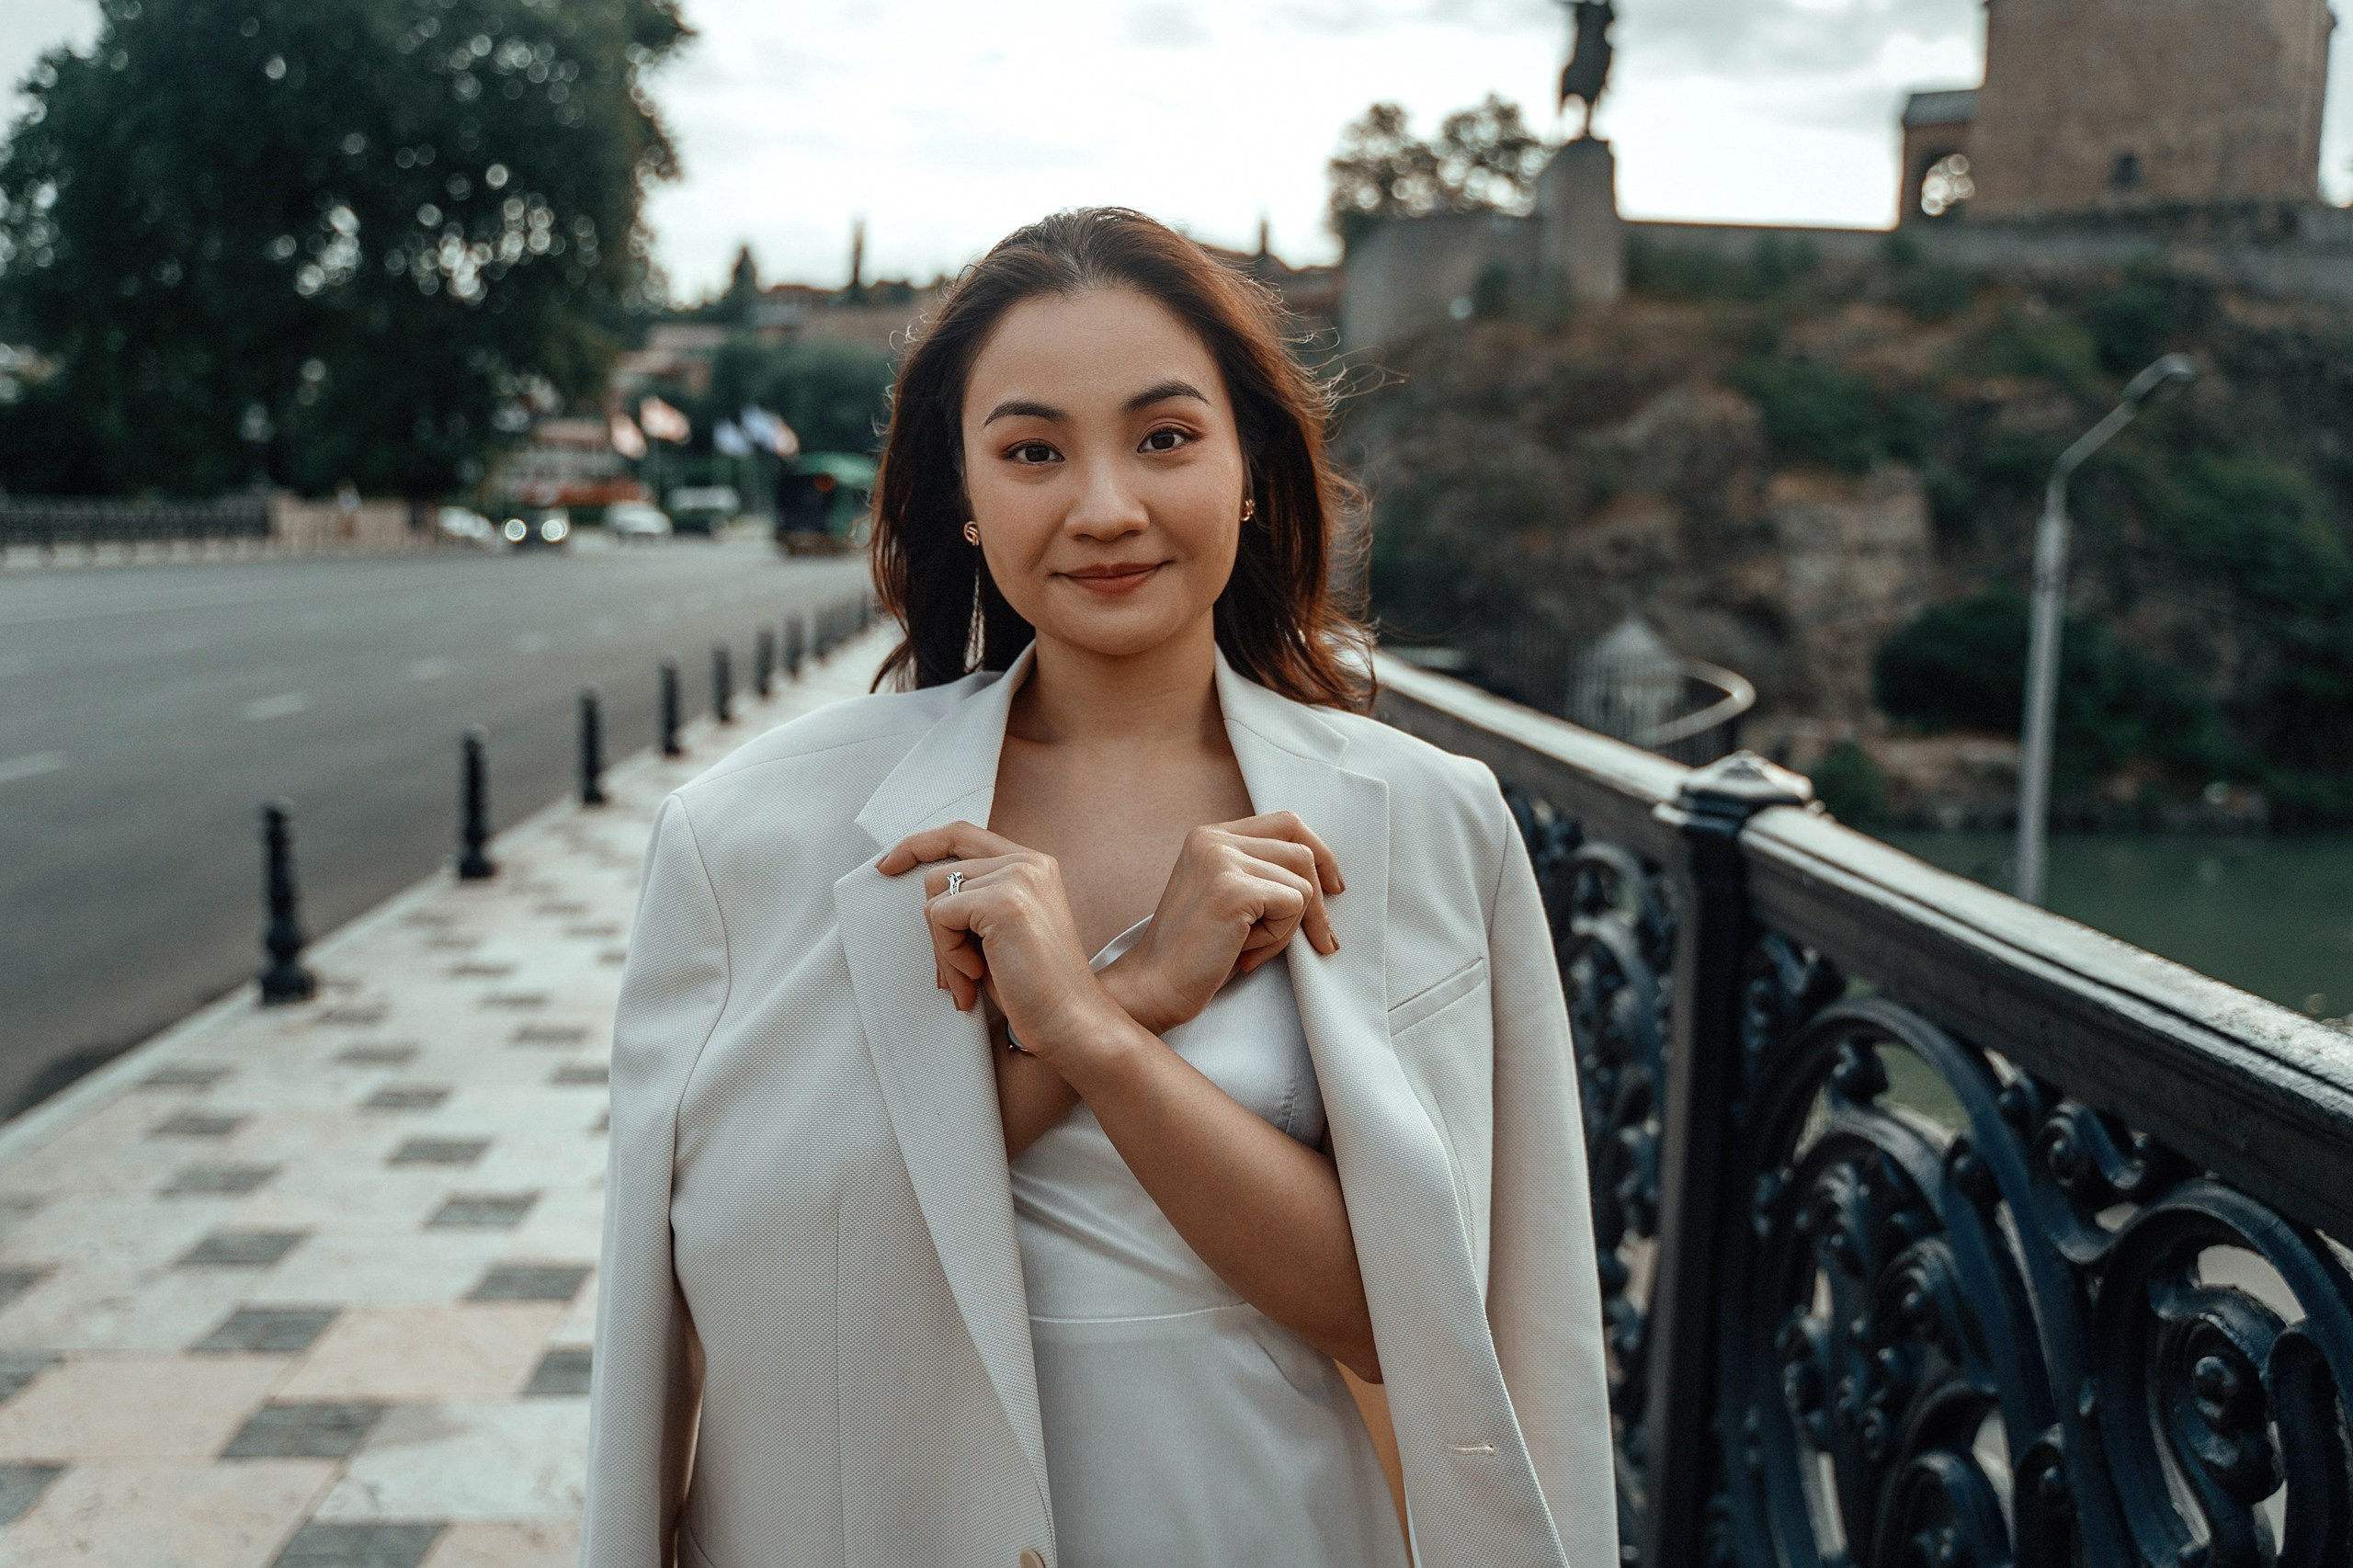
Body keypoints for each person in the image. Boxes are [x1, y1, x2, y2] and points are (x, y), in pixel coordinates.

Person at [581, 207, 1614, 1568]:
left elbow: (1415, 1310)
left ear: (1251, 469)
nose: (1107, 506)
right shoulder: (748, 834)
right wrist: (1129, 991)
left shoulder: (1431, 823)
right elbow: (749, 1267)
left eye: (1166, 437)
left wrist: (1087, 1030)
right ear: (964, 489)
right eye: (1032, 451)